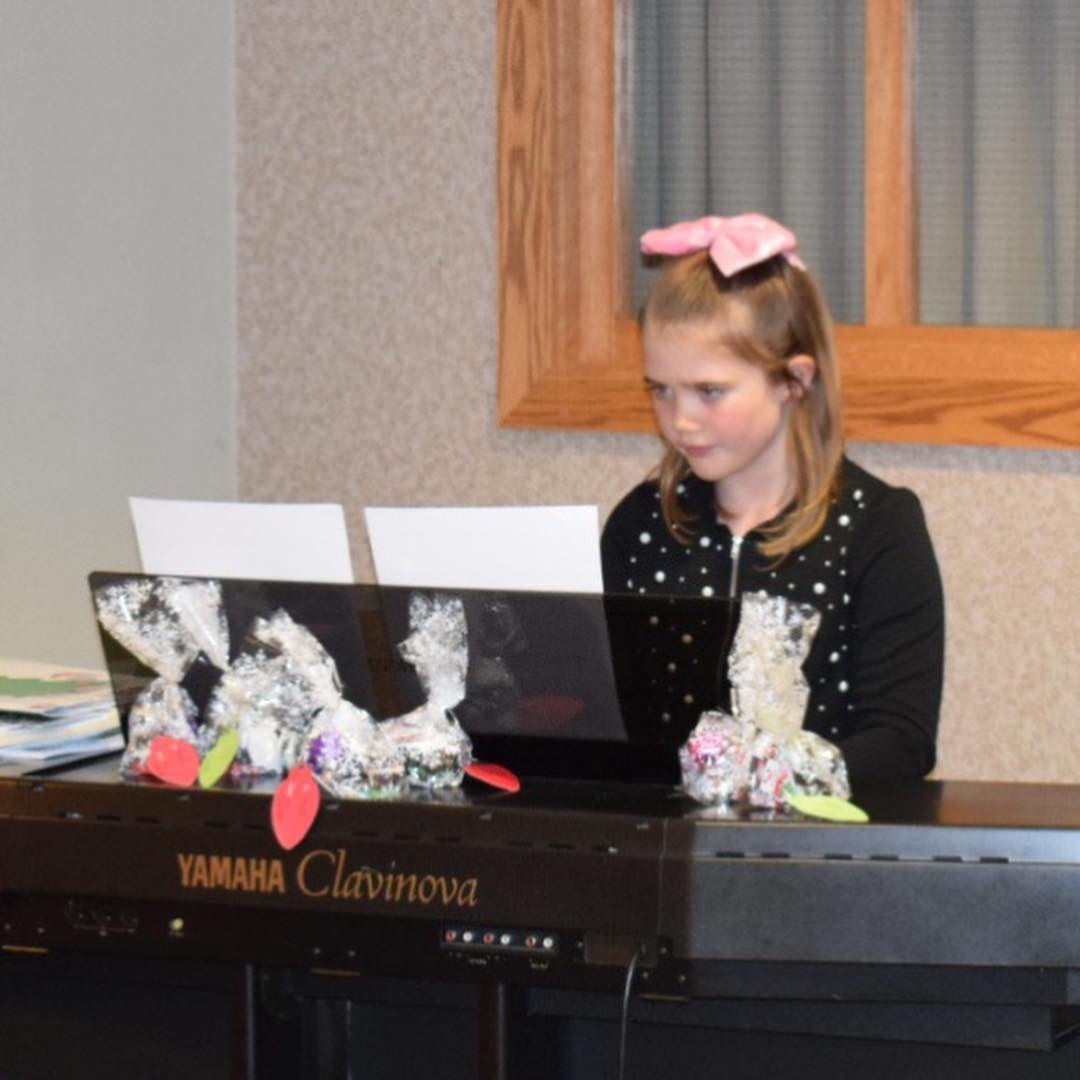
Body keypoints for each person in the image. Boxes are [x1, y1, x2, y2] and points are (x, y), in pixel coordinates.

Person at [601, 213, 944, 788]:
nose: (680, 420)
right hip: (663, 855)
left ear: (793, 381)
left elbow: (900, 741)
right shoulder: (642, 524)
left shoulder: (878, 529)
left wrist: (779, 782)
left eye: (710, 391)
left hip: (816, 859)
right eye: (660, 390)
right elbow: (600, 712)